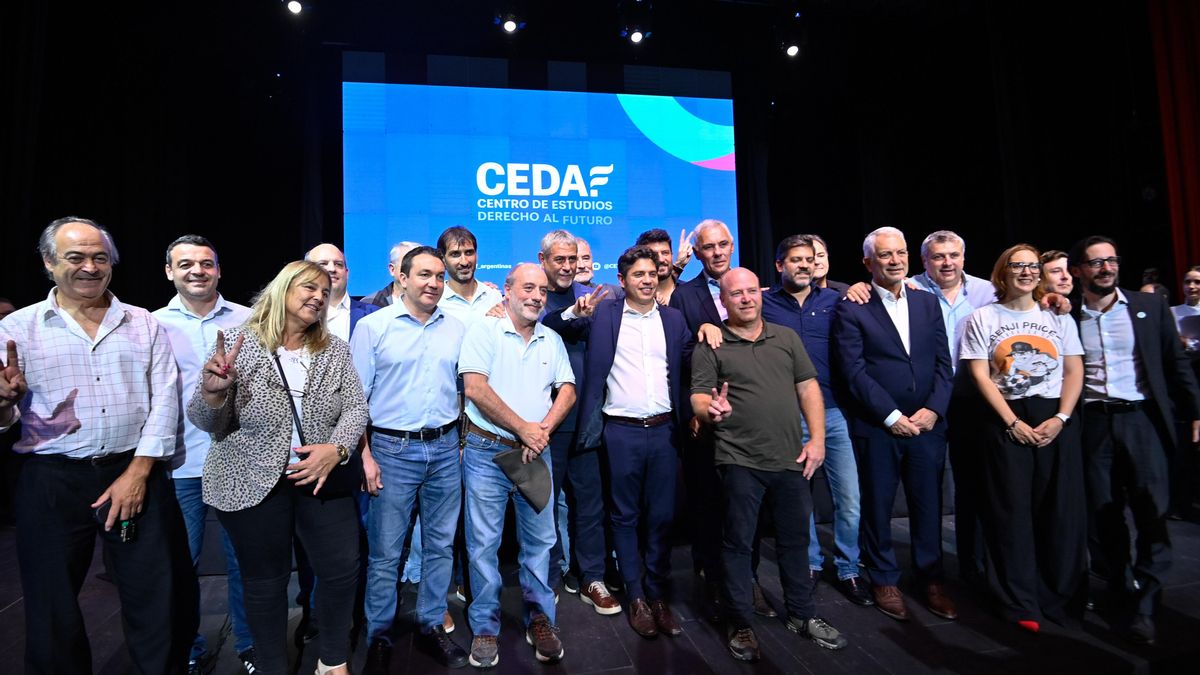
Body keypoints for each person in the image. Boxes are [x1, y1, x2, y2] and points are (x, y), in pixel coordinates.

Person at [0, 216, 194, 673]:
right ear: (49, 263)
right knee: (51, 606)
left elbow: (165, 400)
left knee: (156, 598)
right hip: (51, 481)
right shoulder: (17, 329)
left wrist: (138, 473)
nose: (90, 266)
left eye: (100, 257)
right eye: (75, 257)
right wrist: (3, 403)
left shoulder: (143, 323)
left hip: (135, 474)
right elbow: (4, 417)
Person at [188, 260, 369, 675]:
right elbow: (209, 423)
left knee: (341, 571)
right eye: (309, 287)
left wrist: (338, 449)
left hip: (320, 476)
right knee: (264, 581)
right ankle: (271, 666)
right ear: (282, 289)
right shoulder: (236, 342)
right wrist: (214, 394)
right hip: (249, 477)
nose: (318, 297)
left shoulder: (334, 349)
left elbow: (356, 407)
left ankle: (333, 660)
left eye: (324, 291)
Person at [691, 267, 848, 661]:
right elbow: (697, 400)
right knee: (739, 546)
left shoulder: (786, 337)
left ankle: (803, 614)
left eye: (751, 291)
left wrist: (816, 440)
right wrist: (712, 410)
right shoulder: (710, 345)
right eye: (736, 294)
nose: (745, 298)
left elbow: (808, 386)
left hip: (791, 459)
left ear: (759, 294)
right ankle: (740, 621)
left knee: (796, 543)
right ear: (723, 301)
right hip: (738, 460)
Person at [544, 246, 693, 638]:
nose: (646, 279)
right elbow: (549, 326)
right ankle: (637, 596)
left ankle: (658, 594)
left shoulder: (675, 320)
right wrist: (575, 312)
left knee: (661, 517)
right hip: (619, 432)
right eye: (638, 274)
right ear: (622, 280)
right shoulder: (604, 314)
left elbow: (689, 366)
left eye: (651, 273)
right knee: (623, 517)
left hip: (664, 431)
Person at [1068, 236, 1200, 644]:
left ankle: (1148, 600)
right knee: (1104, 515)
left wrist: (1195, 409)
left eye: (1112, 260)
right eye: (1096, 263)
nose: (1106, 268)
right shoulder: (1065, 316)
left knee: (1152, 511)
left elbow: (1175, 364)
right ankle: (1122, 585)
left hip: (1142, 420)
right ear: (1078, 271)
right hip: (1093, 424)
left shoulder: (1148, 307)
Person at [352, 246, 469, 671]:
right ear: (401, 278)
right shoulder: (372, 327)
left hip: (443, 449)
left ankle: (430, 625)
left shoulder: (456, 328)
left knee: (440, 547)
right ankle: (379, 636)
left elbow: (462, 390)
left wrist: (458, 442)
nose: (433, 284)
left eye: (439, 276)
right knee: (386, 553)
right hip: (390, 449)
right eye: (423, 275)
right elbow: (355, 401)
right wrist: (364, 456)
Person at [831, 227, 956, 622]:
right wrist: (892, 417)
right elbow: (853, 372)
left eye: (900, 253)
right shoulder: (852, 307)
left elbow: (943, 364)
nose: (895, 260)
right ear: (869, 262)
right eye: (885, 255)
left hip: (927, 425)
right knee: (878, 505)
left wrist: (934, 410)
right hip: (879, 426)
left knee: (928, 505)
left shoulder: (926, 304)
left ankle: (931, 579)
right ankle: (884, 578)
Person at [959, 244, 1086, 632]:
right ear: (1003, 272)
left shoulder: (1058, 315)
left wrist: (1062, 417)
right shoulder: (981, 317)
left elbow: (1073, 369)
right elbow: (980, 375)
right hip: (1005, 418)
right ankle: (1019, 601)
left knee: (1059, 512)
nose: (1027, 272)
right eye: (1019, 266)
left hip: (1053, 417)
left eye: (1033, 267)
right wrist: (1012, 421)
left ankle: (1058, 597)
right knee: (1010, 513)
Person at [459, 263, 576, 667]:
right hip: (487, 452)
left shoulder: (551, 339)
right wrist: (523, 428)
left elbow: (568, 391)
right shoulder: (483, 331)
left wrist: (540, 430)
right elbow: (474, 388)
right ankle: (486, 627)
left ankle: (540, 618)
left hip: (535, 452)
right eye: (528, 287)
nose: (537, 296)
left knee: (540, 544)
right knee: (483, 546)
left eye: (542, 290)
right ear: (506, 290)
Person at [152, 235, 256, 672]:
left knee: (245, 563)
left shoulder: (250, 320)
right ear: (169, 271)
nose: (198, 270)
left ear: (219, 270)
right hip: (180, 464)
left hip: (239, 461)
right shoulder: (150, 323)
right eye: (186, 264)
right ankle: (190, 647)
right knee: (181, 566)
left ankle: (251, 646)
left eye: (206, 263)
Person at [760, 235, 873, 607]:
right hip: (788, 417)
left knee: (850, 499)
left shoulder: (838, 300)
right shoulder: (763, 303)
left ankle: (849, 567)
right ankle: (809, 563)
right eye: (795, 259)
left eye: (809, 259)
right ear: (780, 265)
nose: (804, 265)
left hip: (834, 413)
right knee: (798, 501)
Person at [537, 230, 620, 614]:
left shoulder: (595, 299)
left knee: (590, 505)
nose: (569, 267)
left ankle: (591, 577)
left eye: (573, 260)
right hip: (544, 424)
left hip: (587, 419)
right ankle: (549, 577)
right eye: (560, 260)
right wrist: (572, 315)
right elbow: (544, 325)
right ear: (543, 260)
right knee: (545, 507)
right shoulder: (533, 295)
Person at [668, 218, 735, 604]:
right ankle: (709, 575)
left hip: (750, 417)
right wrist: (702, 337)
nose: (717, 252)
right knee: (707, 501)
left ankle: (744, 578)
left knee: (743, 503)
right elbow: (677, 358)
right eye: (708, 247)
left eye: (723, 244)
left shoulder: (750, 286)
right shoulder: (685, 295)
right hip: (703, 415)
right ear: (698, 253)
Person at [305, 243, 378, 341]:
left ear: (347, 273)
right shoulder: (296, 316)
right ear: (306, 272)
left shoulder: (374, 314)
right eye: (323, 264)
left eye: (338, 264)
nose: (332, 269)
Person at [438, 226, 504, 324]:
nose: (464, 262)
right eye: (455, 254)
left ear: (476, 255)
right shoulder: (436, 299)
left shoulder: (493, 295)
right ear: (443, 259)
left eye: (469, 253)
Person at [363, 241, 421, 308]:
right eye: (408, 263)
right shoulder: (369, 304)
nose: (415, 269)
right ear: (392, 269)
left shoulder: (433, 302)